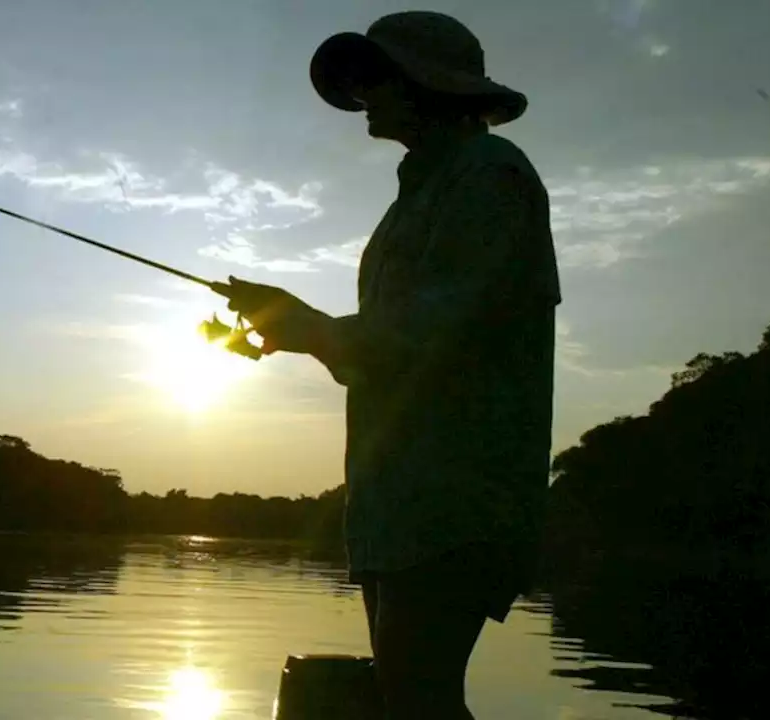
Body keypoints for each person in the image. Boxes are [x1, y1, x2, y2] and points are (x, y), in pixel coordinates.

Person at [213, 10, 562, 720]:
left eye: (374, 77)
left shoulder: (490, 175)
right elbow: (383, 356)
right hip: (400, 495)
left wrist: (300, 322)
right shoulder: (423, 191)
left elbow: (435, 334)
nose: (361, 94)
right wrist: (291, 327)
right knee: (406, 694)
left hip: (457, 494)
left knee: (419, 697)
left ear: (424, 83)